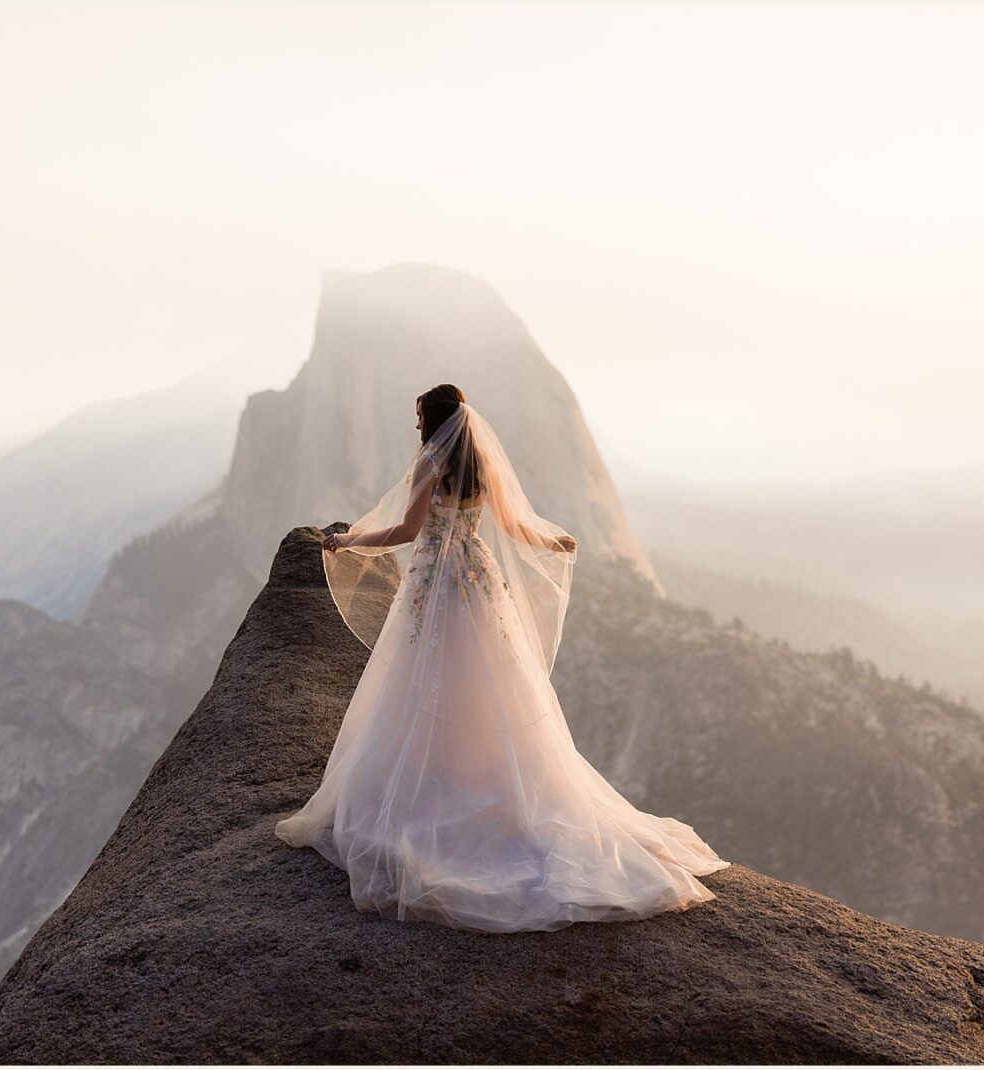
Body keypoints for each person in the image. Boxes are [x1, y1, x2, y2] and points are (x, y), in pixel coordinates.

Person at [275, 383, 730, 931]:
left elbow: (409, 529)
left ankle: (437, 783)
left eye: (419, 416)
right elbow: (513, 525)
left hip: (436, 585)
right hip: (478, 580)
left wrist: (351, 541)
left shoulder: (430, 461)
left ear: (434, 421)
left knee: (426, 684)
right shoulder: (478, 463)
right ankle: (481, 779)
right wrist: (551, 542)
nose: (415, 425)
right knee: (484, 684)